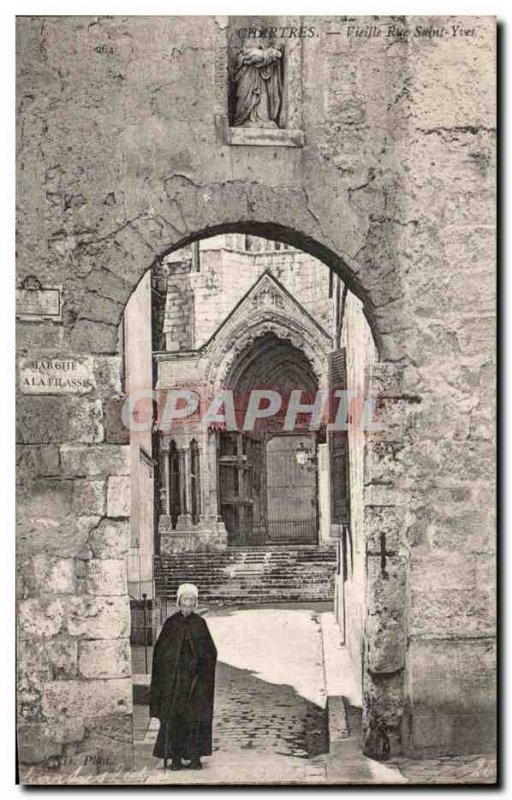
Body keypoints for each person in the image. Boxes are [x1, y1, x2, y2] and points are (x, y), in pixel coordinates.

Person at [149, 584, 217, 771]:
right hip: (176, 681)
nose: (188, 604)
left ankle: (194, 757)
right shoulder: (171, 624)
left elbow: (211, 652)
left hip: (196, 682)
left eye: (191, 601)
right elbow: (161, 653)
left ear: (195, 603)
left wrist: (201, 664)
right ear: (179, 602)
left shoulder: (200, 624)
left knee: (195, 718)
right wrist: (172, 666)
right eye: (185, 600)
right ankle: (175, 757)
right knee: (175, 718)